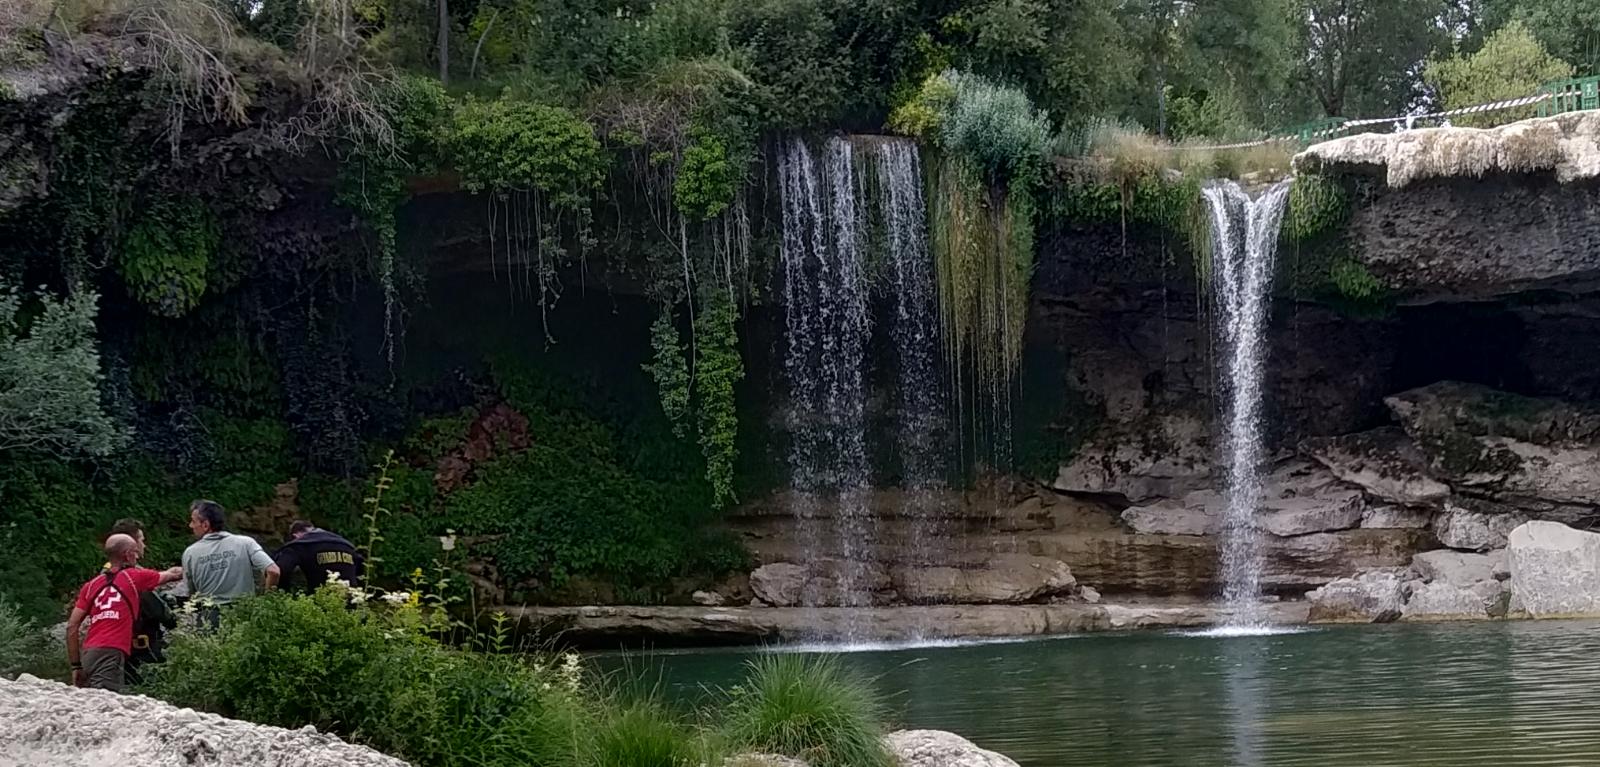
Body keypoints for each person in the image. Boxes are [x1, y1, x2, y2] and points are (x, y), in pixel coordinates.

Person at [66, 534, 182, 691]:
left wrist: (75, 666)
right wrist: (193, 564)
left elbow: (72, 626)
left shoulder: (91, 585)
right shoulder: (134, 577)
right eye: (135, 551)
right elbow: (172, 574)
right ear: (128, 555)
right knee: (105, 705)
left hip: (89, 653)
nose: (138, 555)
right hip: (111, 652)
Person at [102, 518, 179, 682]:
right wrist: (172, 615)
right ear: (132, 546)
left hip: (115, 648)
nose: (144, 546)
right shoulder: (134, 577)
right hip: (143, 648)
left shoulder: (105, 574)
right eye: (142, 541)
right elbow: (158, 610)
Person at [181, 500, 280, 615]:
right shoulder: (246, 543)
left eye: (193, 521)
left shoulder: (190, 553)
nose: (190, 525)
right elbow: (274, 571)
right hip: (244, 613)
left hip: (209, 616)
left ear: (205, 525)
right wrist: (266, 602)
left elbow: (190, 593)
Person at [273, 520, 364, 594]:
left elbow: (281, 570)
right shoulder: (344, 544)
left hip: (321, 602)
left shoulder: (300, 544)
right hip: (352, 600)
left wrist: (284, 595)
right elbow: (361, 568)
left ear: (295, 536)